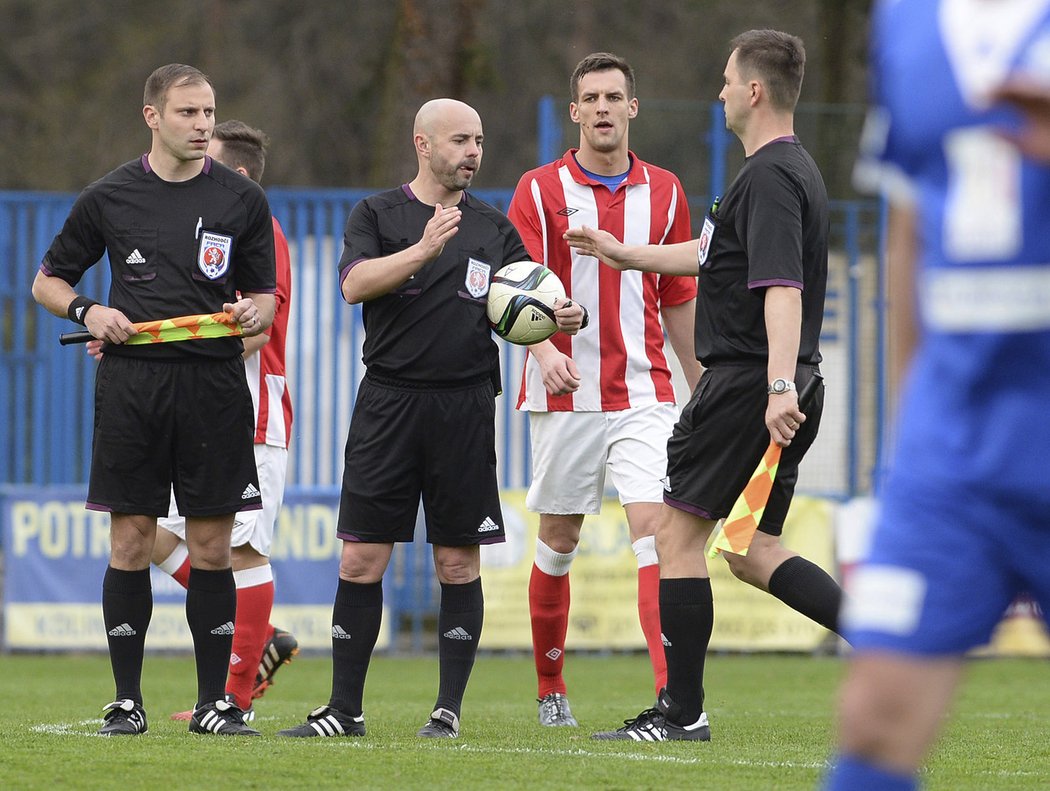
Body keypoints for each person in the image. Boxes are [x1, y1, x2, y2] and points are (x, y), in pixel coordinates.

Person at [276, 98, 585, 740]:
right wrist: (420, 251)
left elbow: (521, 302)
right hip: (388, 403)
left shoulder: (494, 228)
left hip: (466, 406)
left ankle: (447, 712)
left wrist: (553, 337)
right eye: (460, 140)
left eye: (479, 140)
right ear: (422, 144)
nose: (473, 152)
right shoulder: (378, 215)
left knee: (457, 565)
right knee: (361, 560)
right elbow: (354, 285)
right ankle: (344, 711)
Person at [566, 30, 842, 742]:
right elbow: (703, 254)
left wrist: (777, 384)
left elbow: (780, 286)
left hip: (755, 381)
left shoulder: (775, 175)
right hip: (784, 380)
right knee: (751, 549)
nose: (718, 91)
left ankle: (681, 713)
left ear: (754, 91)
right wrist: (620, 251)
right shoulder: (772, 172)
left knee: (676, 538)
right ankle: (883, 638)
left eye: (726, 80)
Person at [824, 2, 1050, 788]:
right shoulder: (906, 22)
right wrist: (910, 433)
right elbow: (910, 228)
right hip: (954, 445)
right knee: (874, 717)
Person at [31, 64, 275, 736]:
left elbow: (263, 296)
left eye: (208, 114)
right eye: (188, 113)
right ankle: (127, 700)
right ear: (153, 116)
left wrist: (254, 314)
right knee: (131, 540)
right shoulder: (109, 196)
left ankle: (213, 705)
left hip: (214, 387)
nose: (202, 126)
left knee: (212, 546)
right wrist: (89, 309)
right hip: (134, 388)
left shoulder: (241, 200)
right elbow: (47, 281)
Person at [507, 52, 701, 728]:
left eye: (614, 96)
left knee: (656, 531)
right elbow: (513, 291)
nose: (602, 108)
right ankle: (550, 683)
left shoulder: (668, 191)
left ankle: (673, 700)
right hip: (564, 394)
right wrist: (546, 349)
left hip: (645, 392)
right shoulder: (537, 190)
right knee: (558, 538)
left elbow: (679, 295)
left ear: (633, 108)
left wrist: (699, 382)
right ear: (575, 111)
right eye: (590, 97)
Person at [147, 120, 299, 719]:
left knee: (242, 555)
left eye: (206, 161)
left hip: (249, 416)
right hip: (190, 413)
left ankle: (234, 702)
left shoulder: (261, 230)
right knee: (144, 532)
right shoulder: (203, 230)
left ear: (235, 176)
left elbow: (253, 333)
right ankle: (256, 638)